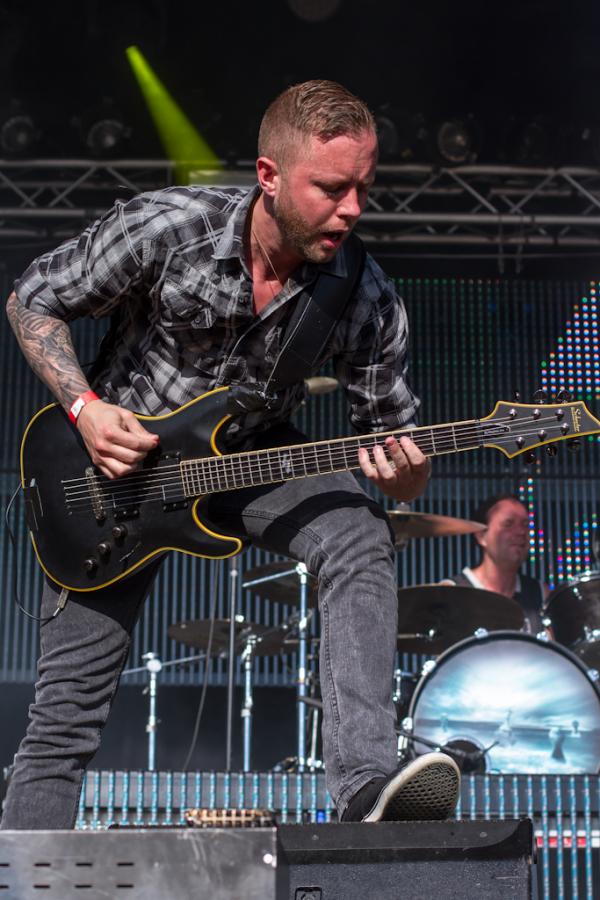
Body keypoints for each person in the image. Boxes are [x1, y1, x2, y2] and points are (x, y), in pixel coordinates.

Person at [2, 79, 459, 829]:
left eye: (363, 189)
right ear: (269, 176)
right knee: (63, 723)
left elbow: (396, 449)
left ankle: (366, 786)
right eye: (331, 188)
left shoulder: (366, 296)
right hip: (111, 478)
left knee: (358, 529)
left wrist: (407, 473)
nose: (352, 209)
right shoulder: (169, 227)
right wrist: (84, 409)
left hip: (247, 462)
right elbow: (33, 297)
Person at [444, 494, 547, 634]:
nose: (521, 532)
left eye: (525, 525)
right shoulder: (451, 591)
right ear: (481, 536)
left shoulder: (540, 593)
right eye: (508, 524)